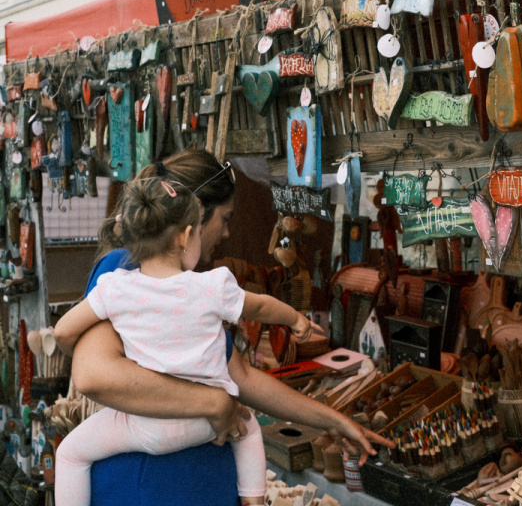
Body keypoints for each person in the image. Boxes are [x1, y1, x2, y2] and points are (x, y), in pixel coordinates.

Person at [68, 150, 391, 506]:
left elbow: (244, 378)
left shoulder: (192, 291)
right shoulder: (124, 269)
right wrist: (213, 401)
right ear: (194, 219)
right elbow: (92, 375)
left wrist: (332, 420)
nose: (226, 231)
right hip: (151, 488)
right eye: (224, 218)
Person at [53, 177, 321, 506]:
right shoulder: (214, 285)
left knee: (70, 455)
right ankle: (253, 500)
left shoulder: (114, 287)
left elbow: (63, 331)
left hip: (147, 428)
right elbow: (262, 307)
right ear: (185, 236)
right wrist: (296, 319)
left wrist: (76, 350)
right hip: (208, 426)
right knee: (248, 428)